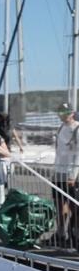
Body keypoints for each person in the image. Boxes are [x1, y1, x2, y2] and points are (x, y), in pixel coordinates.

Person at [52, 103, 79, 249]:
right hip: (59, 170)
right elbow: (59, 150)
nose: (64, 114)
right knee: (58, 203)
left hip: (72, 172)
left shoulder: (77, 128)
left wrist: (73, 175)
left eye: (66, 112)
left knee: (74, 205)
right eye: (61, 112)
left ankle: (74, 234)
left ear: (72, 113)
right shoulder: (61, 128)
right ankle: (61, 232)